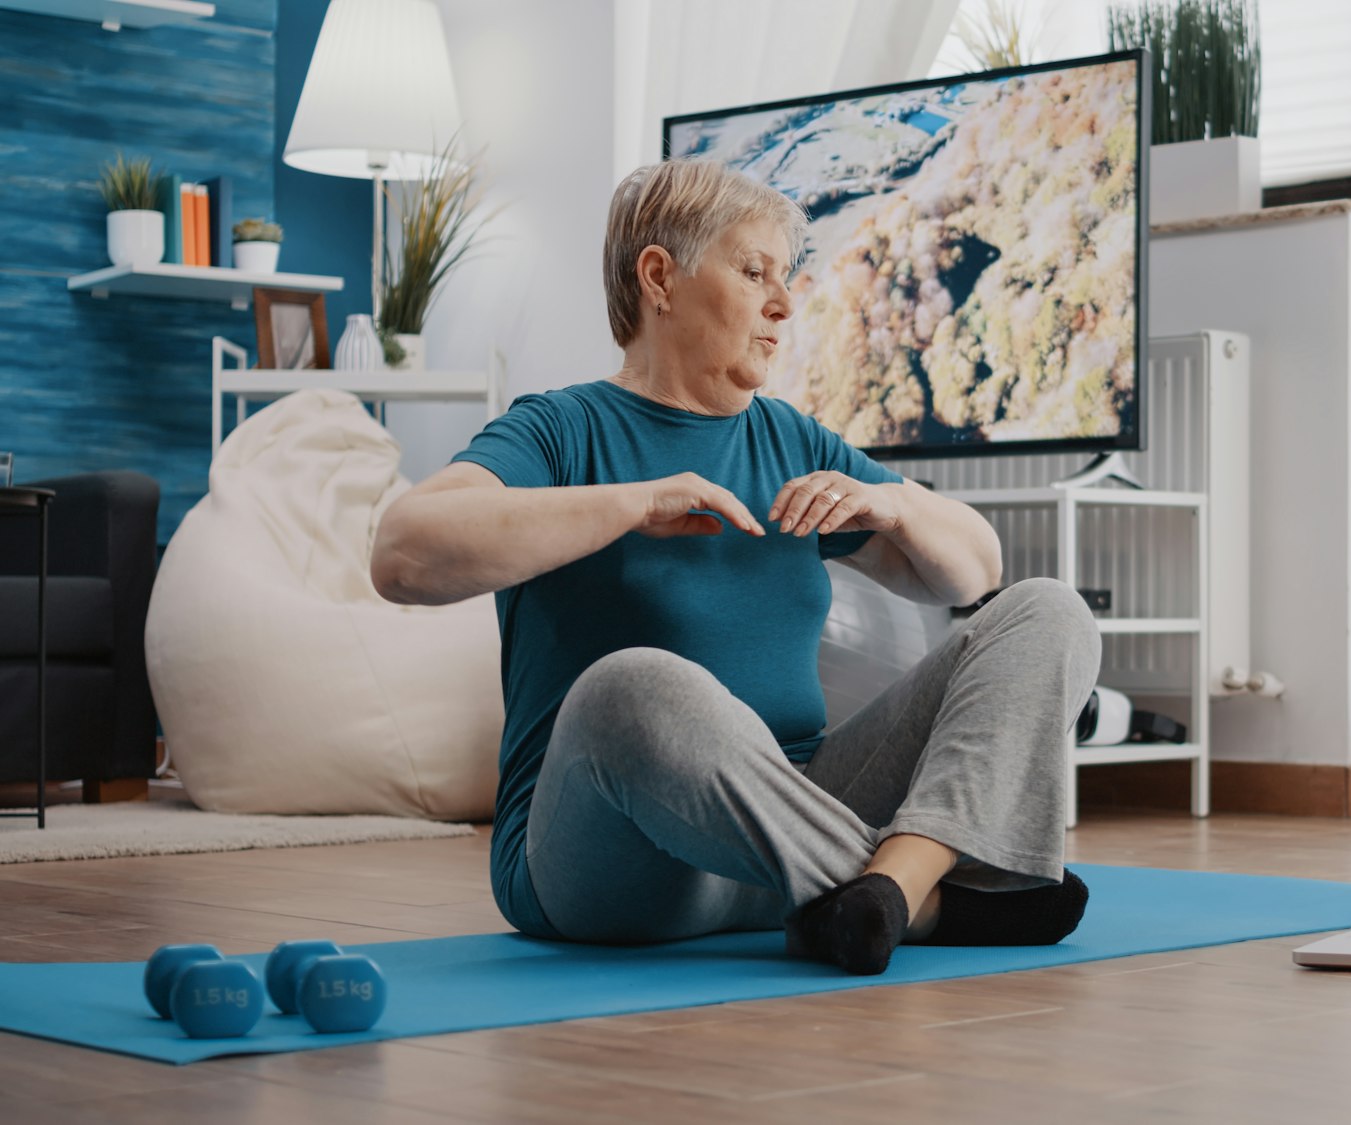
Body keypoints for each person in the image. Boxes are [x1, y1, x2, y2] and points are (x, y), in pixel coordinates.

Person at [370, 159, 1102, 975]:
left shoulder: (791, 439)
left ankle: (891, 892)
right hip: (614, 862)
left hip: (790, 831)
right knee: (632, 686)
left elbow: (973, 573)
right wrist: (631, 505)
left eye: (784, 278)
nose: (783, 304)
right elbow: (403, 552)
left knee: (1049, 609)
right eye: (754, 272)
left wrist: (893, 503)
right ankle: (941, 893)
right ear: (660, 277)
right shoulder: (561, 429)